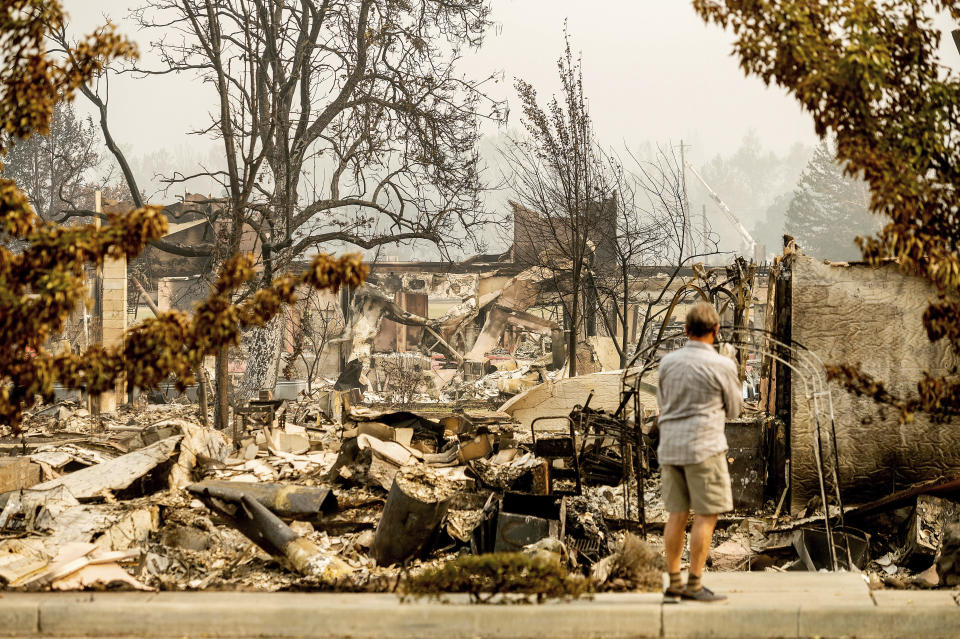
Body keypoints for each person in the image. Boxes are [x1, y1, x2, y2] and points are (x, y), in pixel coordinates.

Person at [656, 302, 742, 603]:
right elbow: (734, 410)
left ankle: (674, 583)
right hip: (704, 447)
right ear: (716, 331)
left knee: (676, 514)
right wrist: (732, 369)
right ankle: (694, 583)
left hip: (670, 446)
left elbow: (663, 404)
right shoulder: (722, 365)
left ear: (685, 330)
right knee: (706, 515)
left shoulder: (667, 363)